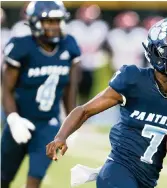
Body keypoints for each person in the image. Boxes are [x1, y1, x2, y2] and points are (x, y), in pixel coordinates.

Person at [46, 17, 167, 188]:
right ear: (159, 52)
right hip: (117, 171)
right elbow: (85, 110)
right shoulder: (133, 79)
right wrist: (61, 136)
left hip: (147, 181)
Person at [1, 1, 81, 188]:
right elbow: (6, 89)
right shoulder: (20, 46)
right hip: (21, 120)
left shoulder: (69, 45)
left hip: (48, 123)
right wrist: (13, 119)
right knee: (3, 177)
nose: (54, 26)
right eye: (49, 21)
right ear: (34, 22)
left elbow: (71, 88)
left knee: (36, 176)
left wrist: (72, 123)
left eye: (57, 21)